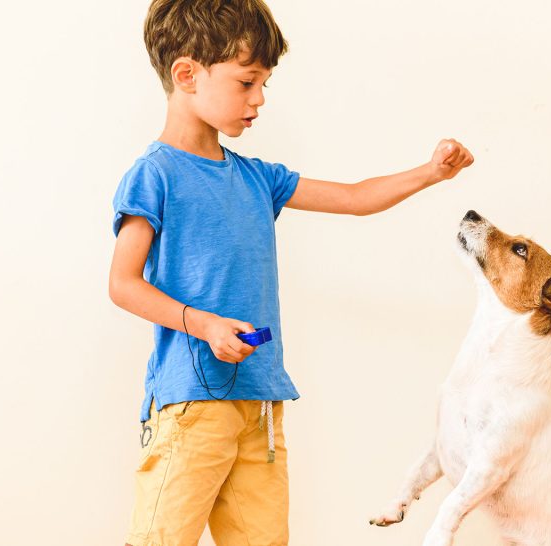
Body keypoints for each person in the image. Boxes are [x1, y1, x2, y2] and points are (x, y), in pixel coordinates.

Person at [108, 1, 474, 544]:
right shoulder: (154, 175)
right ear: (187, 75)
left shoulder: (259, 178)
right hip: (190, 407)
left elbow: (354, 198)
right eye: (247, 82)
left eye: (264, 84)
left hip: (259, 405)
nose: (259, 99)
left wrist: (431, 172)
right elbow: (122, 284)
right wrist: (204, 324)